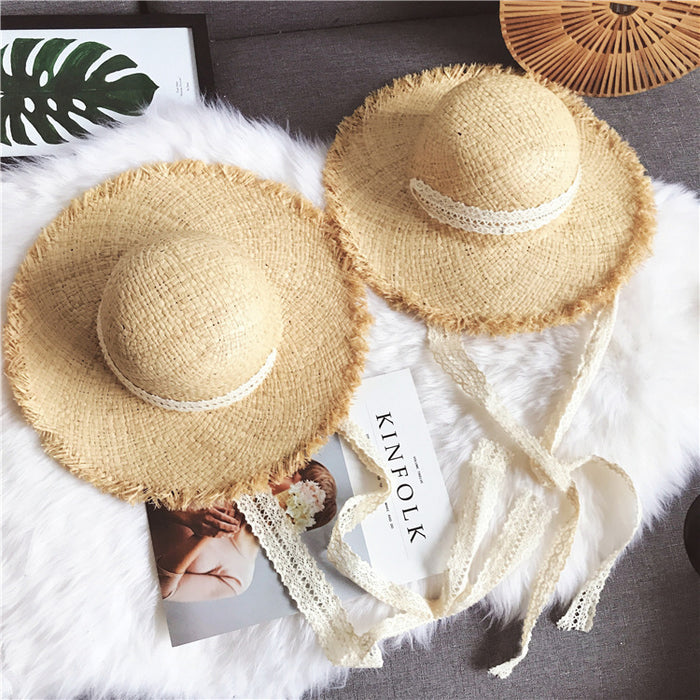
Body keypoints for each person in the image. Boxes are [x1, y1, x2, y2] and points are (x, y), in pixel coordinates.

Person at [147, 460, 337, 602]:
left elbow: (162, 591)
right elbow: (147, 483)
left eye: (291, 476)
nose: (278, 473)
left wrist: (201, 536)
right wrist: (187, 517)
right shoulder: (229, 481)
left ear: (294, 510)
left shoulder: (238, 576)